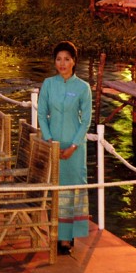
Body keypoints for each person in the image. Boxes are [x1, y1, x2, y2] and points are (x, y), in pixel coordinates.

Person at [36, 41, 92, 256]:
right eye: (59, 59)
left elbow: (86, 121)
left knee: (72, 189)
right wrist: (50, 141)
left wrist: (74, 146)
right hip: (53, 145)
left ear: (74, 61)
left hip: (75, 148)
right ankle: (56, 232)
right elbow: (42, 114)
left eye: (67, 59)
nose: (62, 63)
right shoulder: (48, 84)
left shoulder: (83, 88)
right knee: (56, 190)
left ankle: (68, 236)